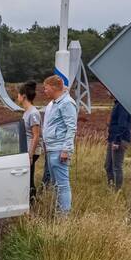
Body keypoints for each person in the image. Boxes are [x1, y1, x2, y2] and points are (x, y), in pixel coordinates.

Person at [41, 75, 77, 215]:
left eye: (46, 88)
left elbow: (71, 127)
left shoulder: (66, 103)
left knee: (62, 184)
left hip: (59, 149)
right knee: (56, 184)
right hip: (52, 148)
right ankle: (59, 210)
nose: (45, 91)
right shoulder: (56, 103)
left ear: (54, 87)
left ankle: (64, 215)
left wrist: (66, 149)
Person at [16, 81, 43, 201]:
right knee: (26, 178)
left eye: (18, 94)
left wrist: (30, 155)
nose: (17, 97)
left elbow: (36, 135)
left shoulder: (33, 113)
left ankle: (31, 203)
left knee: (29, 178)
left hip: (31, 151)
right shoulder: (27, 112)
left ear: (24, 96)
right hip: (26, 150)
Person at [105, 99, 131, 190]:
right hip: (113, 138)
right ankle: (111, 187)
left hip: (119, 139)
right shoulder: (117, 104)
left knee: (116, 166)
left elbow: (122, 125)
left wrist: (117, 141)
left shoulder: (122, 105)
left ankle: (117, 190)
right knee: (108, 165)